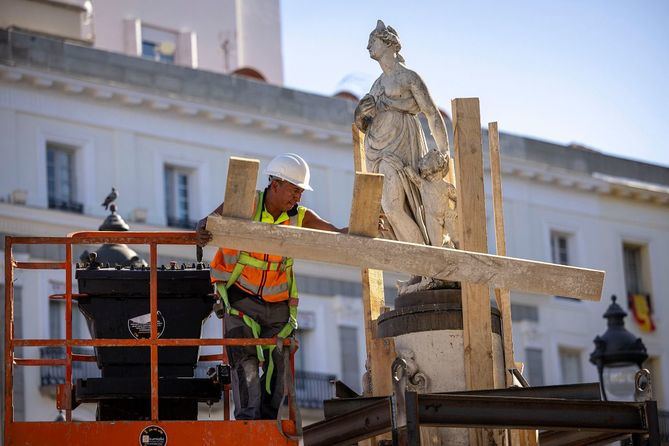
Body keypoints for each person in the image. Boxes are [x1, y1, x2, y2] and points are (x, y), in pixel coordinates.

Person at [196, 153, 345, 420]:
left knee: (280, 369)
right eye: (294, 190)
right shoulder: (246, 203)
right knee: (246, 363)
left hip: (278, 308)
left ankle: (266, 424)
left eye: (301, 192)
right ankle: (248, 424)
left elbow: (335, 233)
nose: (297, 197)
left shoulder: (300, 216)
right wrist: (202, 227)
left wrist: (357, 231)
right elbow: (210, 223)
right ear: (275, 185)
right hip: (241, 299)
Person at [354, 20, 451, 248]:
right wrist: (359, 114)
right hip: (377, 150)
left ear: (389, 43)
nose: (368, 47)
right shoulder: (376, 85)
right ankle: (416, 270)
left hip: (400, 149)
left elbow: (431, 113)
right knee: (389, 211)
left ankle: (425, 262)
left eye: (372, 41)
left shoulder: (408, 78)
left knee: (394, 207)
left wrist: (444, 150)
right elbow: (364, 124)